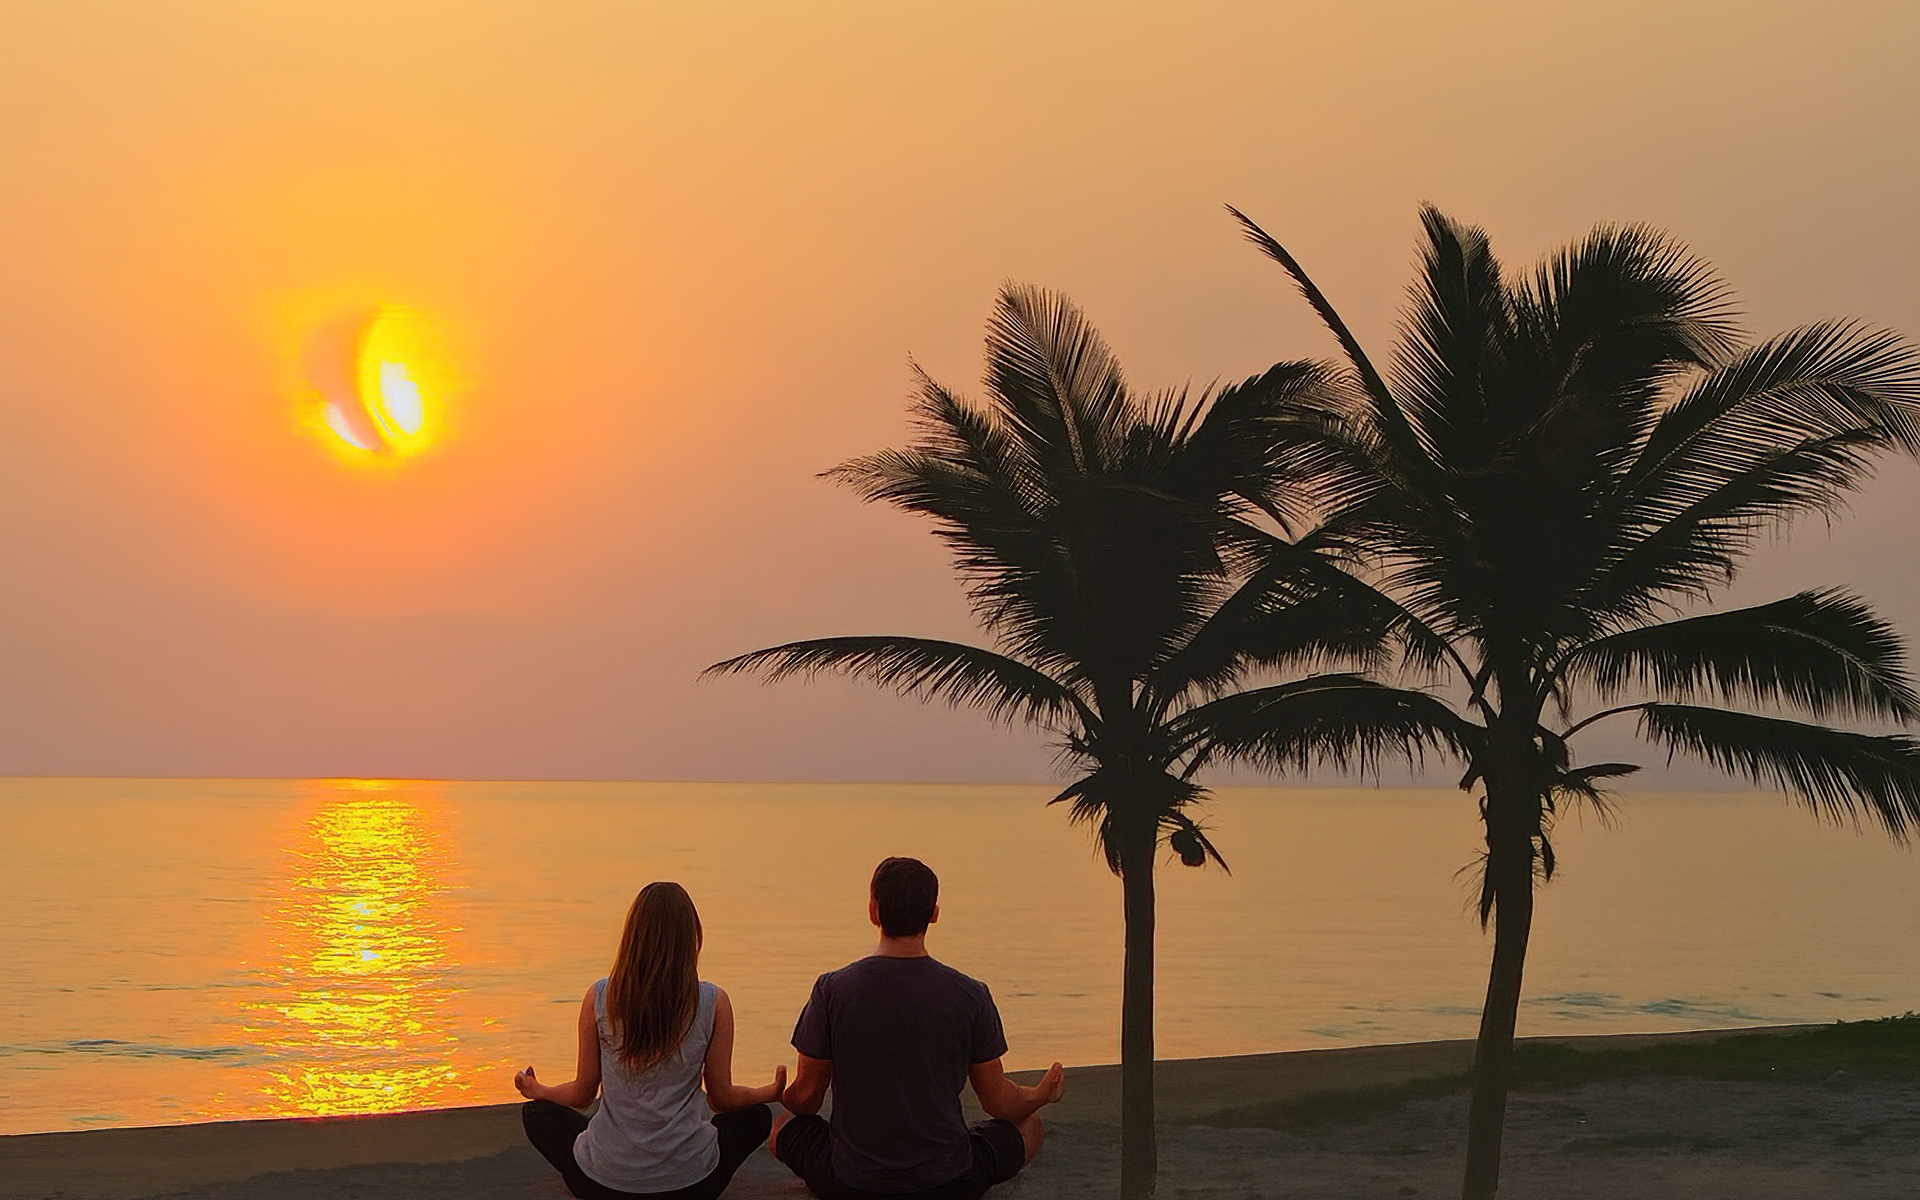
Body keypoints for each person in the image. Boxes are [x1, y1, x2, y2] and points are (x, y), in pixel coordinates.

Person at [773, 857, 1065, 1200]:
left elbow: (806, 1100)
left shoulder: (831, 989)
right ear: (934, 913)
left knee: (782, 1125)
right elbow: (999, 1102)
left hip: (851, 1182)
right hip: (949, 1181)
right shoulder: (971, 993)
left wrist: (782, 1092)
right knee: (1030, 1125)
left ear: (873, 911)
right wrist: (1041, 1095)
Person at [516, 881, 786, 1200]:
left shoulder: (600, 996)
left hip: (600, 1186)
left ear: (632, 937)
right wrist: (769, 1092)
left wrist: (539, 1090)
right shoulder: (714, 1001)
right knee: (755, 1116)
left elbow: (582, 1094)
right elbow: (721, 1099)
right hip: (691, 1186)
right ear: (692, 937)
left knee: (536, 1114)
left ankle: (614, 1166)